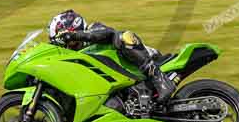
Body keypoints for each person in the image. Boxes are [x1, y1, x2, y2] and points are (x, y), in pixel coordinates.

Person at [47, 9, 176, 106]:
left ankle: (159, 79)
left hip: (147, 62)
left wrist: (75, 35)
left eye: (68, 42)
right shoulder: (79, 57)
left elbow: (108, 33)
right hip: (121, 83)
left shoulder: (93, 28)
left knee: (122, 36)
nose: (68, 47)